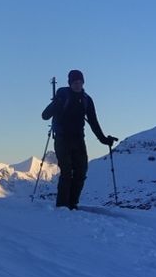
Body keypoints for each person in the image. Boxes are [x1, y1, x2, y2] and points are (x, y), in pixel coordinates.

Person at [41, 69, 118, 209]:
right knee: (66, 172)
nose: (78, 84)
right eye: (75, 82)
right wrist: (56, 104)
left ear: (83, 82)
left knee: (81, 171)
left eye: (80, 82)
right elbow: (45, 116)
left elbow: (93, 121)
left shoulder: (86, 99)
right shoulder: (62, 96)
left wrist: (104, 139)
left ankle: (72, 203)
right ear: (70, 83)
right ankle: (63, 206)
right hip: (62, 139)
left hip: (78, 140)